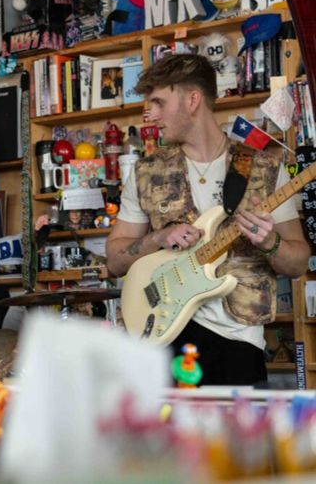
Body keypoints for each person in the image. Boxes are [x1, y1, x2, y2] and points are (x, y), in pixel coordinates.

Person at [106, 54, 308, 386]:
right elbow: (114, 260)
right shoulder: (146, 172)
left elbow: (298, 262)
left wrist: (270, 243)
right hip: (163, 338)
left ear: (193, 100)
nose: (150, 115)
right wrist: (157, 239)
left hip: (238, 342)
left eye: (158, 102)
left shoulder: (265, 168)